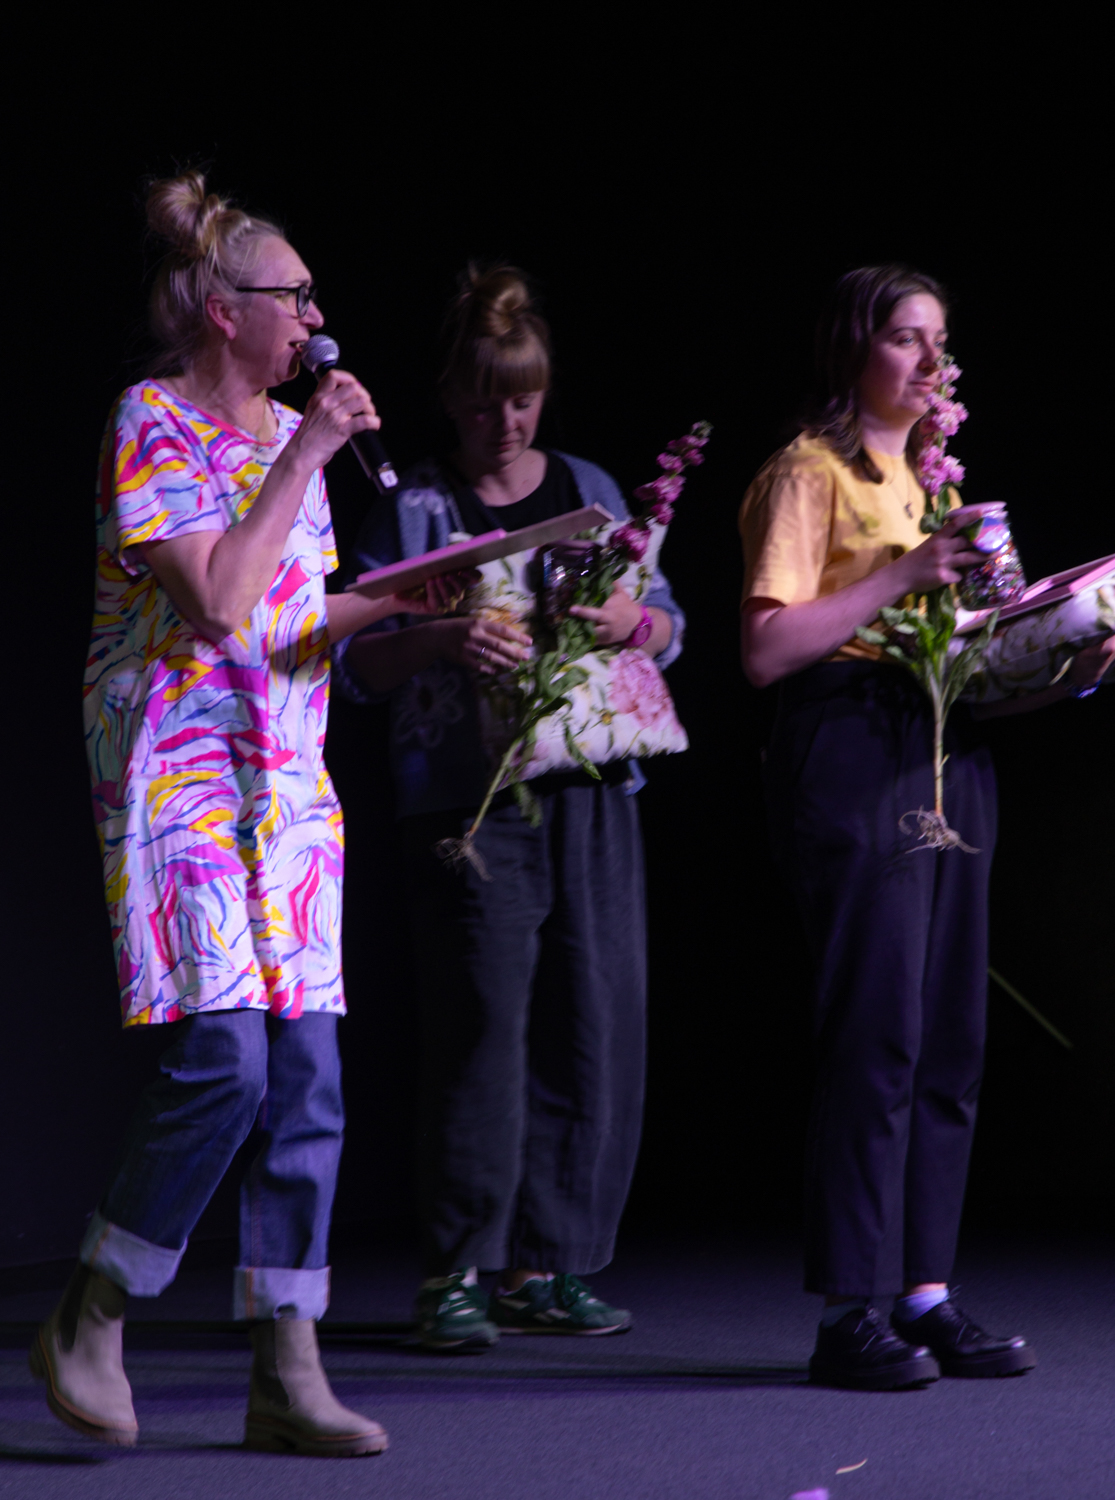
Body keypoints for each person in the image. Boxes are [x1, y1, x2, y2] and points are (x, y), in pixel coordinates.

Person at [33, 171, 432, 1456]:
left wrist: (418, 603)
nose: (316, 317)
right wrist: (306, 453)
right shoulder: (151, 419)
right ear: (224, 309)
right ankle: (94, 1309)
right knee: (226, 1062)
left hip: (287, 786)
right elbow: (213, 601)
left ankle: (287, 1370)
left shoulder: (287, 443)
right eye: (294, 296)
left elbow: (291, 615)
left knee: (308, 1077)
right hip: (181, 779)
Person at [739, 265, 1115, 1391]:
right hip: (851, 747)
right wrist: (908, 572)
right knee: (875, 1032)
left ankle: (924, 1292)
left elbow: (967, 670)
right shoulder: (805, 472)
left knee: (948, 1036)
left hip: (944, 748)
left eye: (939, 341)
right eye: (905, 338)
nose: (929, 360)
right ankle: (847, 1313)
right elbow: (764, 650)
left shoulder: (929, 485)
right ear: (852, 347)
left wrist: (1068, 670)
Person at [334, 265, 685, 1351]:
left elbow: (668, 625)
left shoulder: (589, 485)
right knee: (479, 1026)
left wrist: (632, 621)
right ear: (452, 396)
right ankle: (456, 1270)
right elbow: (352, 660)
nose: (508, 422)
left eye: (524, 398)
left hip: (589, 786)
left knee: (594, 1020)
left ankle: (550, 1263)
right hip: (468, 802)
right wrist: (441, 637)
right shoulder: (416, 506)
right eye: (487, 401)